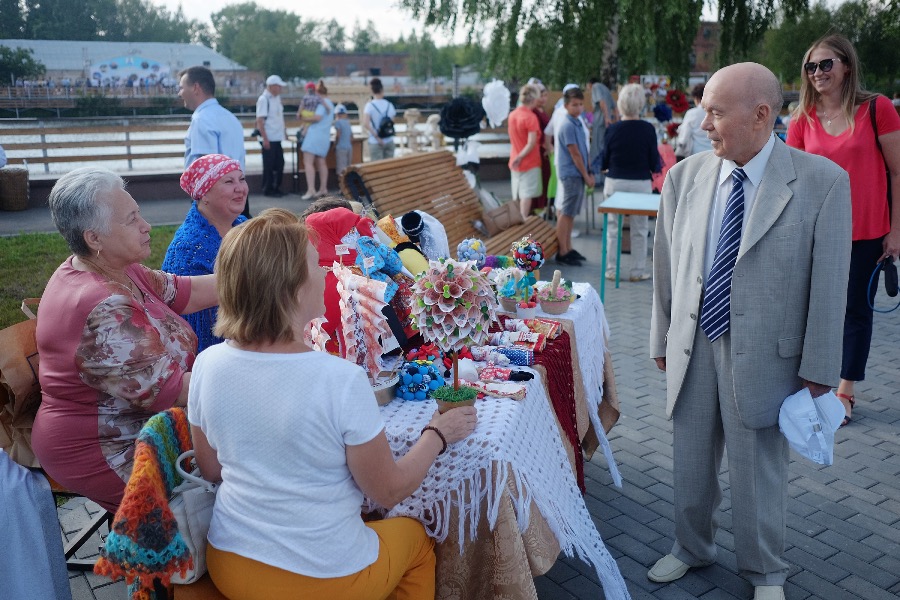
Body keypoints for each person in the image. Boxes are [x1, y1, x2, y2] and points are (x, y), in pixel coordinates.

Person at [187, 208, 477, 599]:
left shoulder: (207, 364)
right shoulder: (339, 380)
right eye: (315, 265)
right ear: (289, 291)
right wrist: (438, 435)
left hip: (231, 562)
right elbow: (389, 491)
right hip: (325, 577)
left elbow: (211, 467)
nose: (326, 272)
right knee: (417, 540)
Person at [648, 63, 851, 600]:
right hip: (693, 345)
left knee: (758, 468)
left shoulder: (822, 183)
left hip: (768, 355)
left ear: (761, 115)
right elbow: (667, 265)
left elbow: (831, 287)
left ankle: (764, 571)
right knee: (690, 457)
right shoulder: (684, 177)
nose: (703, 122)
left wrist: (820, 371)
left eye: (715, 111)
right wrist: (661, 338)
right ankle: (691, 547)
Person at [32, 168, 218, 511]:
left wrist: (259, 275)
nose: (146, 225)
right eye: (132, 219)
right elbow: (175, 392)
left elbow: (185, 293)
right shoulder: (101, 306)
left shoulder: (115, 266)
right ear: (94, 238)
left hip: (146, 423)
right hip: (110, 448)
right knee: (239, 467)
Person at [786, 34, 900, 426]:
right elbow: (793, 180)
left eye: (826, 64)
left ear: (846, 66)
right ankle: (810, 384)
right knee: (809, 311)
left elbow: (898, 171)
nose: (817, 73)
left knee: (855, 313)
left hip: (866, 230)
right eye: (811, 67)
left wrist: (896, 230)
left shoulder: (876, 109)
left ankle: (845, 391)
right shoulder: (802, 117)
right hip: (814, 232)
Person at [162, 154, 248, 353]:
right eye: (229, 181)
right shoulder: (188, 249)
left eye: (242, 179)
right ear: (204, 194)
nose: (240, 188)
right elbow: (193, 330)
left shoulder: (243, 225)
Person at [601, 83, 661, 282]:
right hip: (640, 183)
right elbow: (654, 159)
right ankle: (637, 271)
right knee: (640, 229)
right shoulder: (648, 129)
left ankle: (611, 270)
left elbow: (604, 158)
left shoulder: (613, 129)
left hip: (615, 182)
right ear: (641, 105)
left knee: (612, 228)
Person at [178, 66, 249, 218]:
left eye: (182, 88)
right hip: (238, 193)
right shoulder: (230, 117)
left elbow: (206, 168)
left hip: (216, 200)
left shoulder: (202, 119)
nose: (180, 93)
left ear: (196, 87)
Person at [555, 87, 594, 265]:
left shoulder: (578, 122)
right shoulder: (567, 125)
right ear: (566, 105)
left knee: (571, 213)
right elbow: (575, 153)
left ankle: (568, 246)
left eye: (580, 104)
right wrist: (586, 176)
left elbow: (584, 150)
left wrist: (588, 170)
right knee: (566, 212)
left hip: (577, 173)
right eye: (574, 105)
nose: (578, 108)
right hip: (571, 173)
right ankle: (562, 250)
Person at [508, 83, 542, 220]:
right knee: (526, 196)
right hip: (529, 161)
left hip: (514, 159)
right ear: (534, 100)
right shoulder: (531, 117)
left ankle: (517, 222)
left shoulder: (512, 115)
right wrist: (521, 157)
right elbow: (531, 142)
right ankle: (522, 223)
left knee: (517, 195)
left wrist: (517, 157)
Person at [299, 80, 335, 200]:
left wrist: (303, 117)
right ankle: (323, 188)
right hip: (325, 136)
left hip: (314, 135)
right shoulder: (331, 104)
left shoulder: (320, 104)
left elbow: (318, 117)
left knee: (308, 162)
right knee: (321, 162)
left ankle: (311, 189)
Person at [256, 74, 287, 197]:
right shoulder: (264, 99)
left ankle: (276, 187)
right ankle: (268, 189)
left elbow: (279, 118)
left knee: (279, 164)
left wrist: (284, 132)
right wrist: (265, 139)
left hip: (277, 137)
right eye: (278, 86)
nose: (280, 88)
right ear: (271, 86)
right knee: (269, 166)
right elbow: (260, 120)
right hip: (269, 138)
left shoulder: (276, 98)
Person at [527, 78, 551, 214]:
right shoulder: (534, 113)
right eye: (540, 95)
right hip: (542, 151)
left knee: (547, 180)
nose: (543, 98)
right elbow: (538, 133)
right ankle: (537, 207)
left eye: (545, 95)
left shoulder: (542, 110)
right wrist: (545, 146)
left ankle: (545, 206)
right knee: (541, 180)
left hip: (547, 150)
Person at [674, 83, 713, 161]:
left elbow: (685, 135)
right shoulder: (715, 112)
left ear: (696, 98)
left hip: (696, 153)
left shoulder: (692, 113)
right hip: (713, 151)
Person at [589, 77, 618, 174]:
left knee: (596, 149)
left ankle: (596, 176)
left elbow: (602, 102)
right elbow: (615, 107)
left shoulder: (595, 87)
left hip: (599, 121)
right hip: (606, 123)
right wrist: (617, 122)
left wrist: (606, 117)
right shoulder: (606, 89)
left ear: (589, 84)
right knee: (603, 148)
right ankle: (602, 175)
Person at [364, 77, 397, 161]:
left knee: (377, 168)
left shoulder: (369, 106)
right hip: (389, 139)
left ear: (372, 91)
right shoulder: (389, 105)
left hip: (375, 141)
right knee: (389, 167)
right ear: (382, 90)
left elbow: (366, 124)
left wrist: (377, 137)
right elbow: (393, 121)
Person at [333, 104, 353, 177]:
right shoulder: (348, 122)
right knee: (348, 167)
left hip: (341, 147)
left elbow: (338, 135)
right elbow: (351, 136)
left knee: (341, 168)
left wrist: (335, 145)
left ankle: (341, 185)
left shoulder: (338, 122)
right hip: (349, 147)